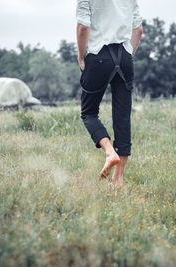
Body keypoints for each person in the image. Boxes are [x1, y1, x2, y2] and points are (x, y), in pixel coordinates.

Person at [76, 0, 143, 186]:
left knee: (89, 113)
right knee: (122, 117)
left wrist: (81, 57)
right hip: (124, 55)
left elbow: (82, 27)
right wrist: (128, 55)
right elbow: (138, 30)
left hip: (98, 57)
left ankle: (109, 152)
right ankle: (118, 178)